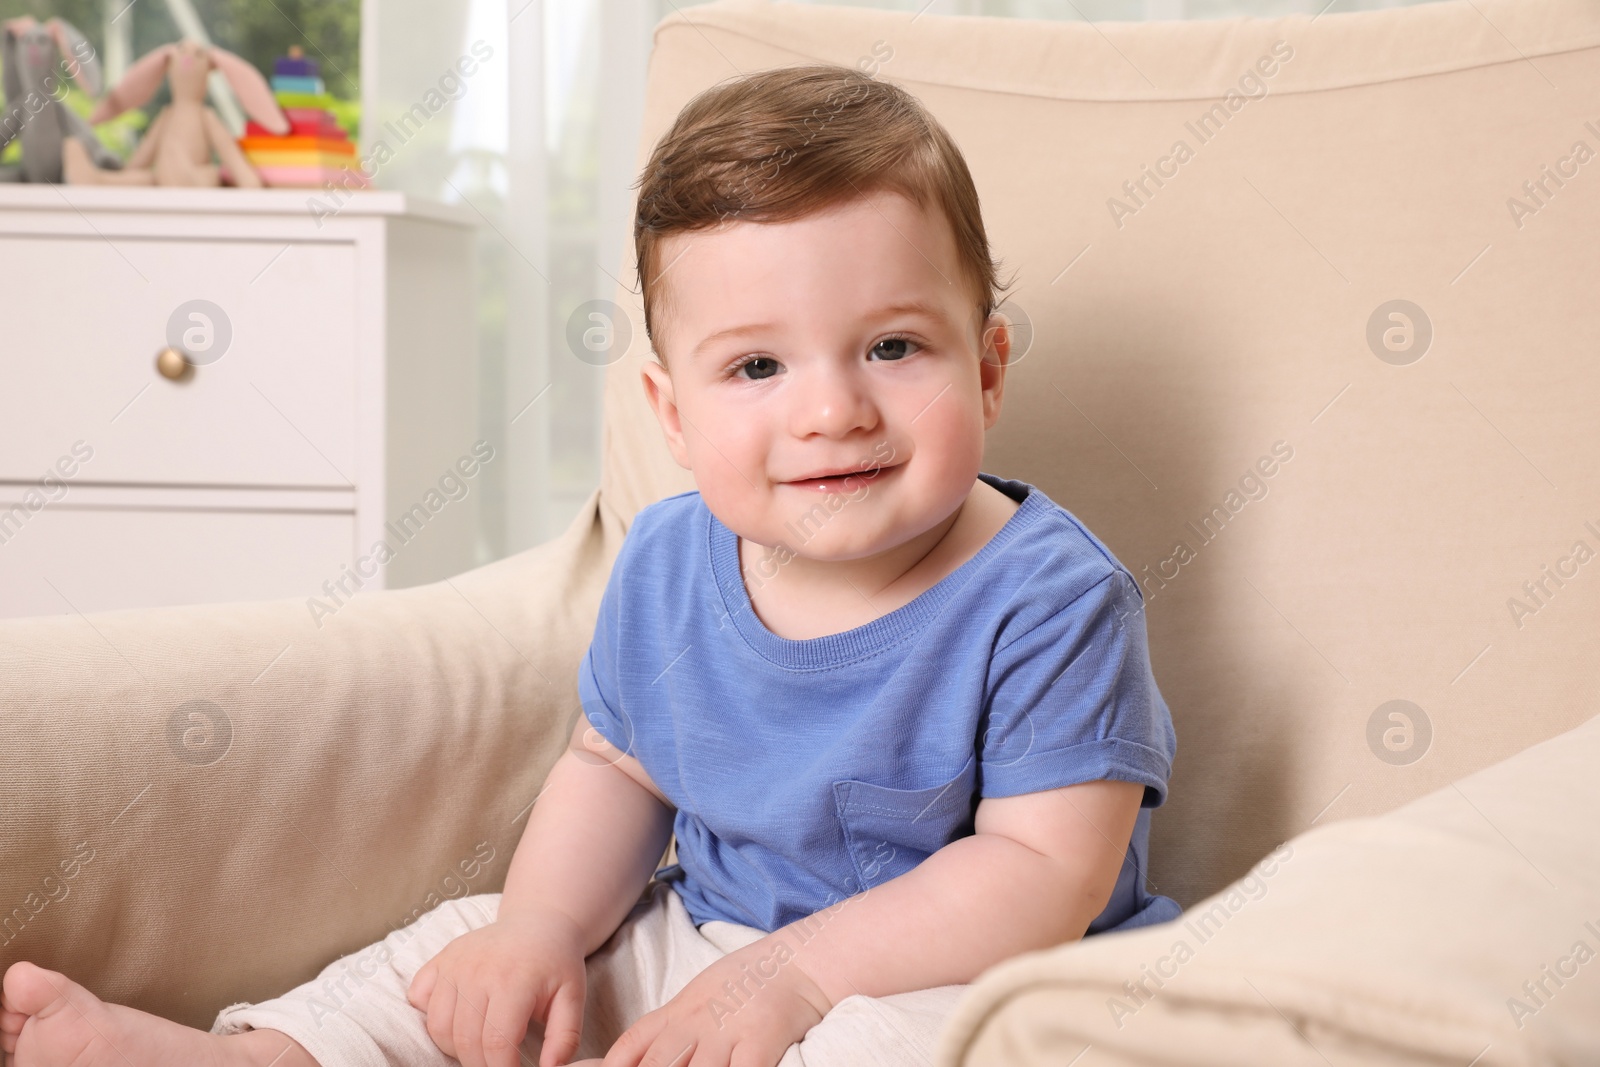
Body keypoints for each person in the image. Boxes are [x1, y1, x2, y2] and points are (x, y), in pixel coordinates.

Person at [0, 63, 1179, 1067]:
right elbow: (614, 768)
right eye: (757, 368)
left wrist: (793, 981)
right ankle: (250, 1056)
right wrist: (542, 925)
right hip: (707, 933)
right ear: (671, 411)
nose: (831, 409)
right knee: (462, 947)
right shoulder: (671, 556)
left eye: (890, 345)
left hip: (969, 980)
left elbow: (1040, 872)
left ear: (986, 367)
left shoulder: (1048, 597)